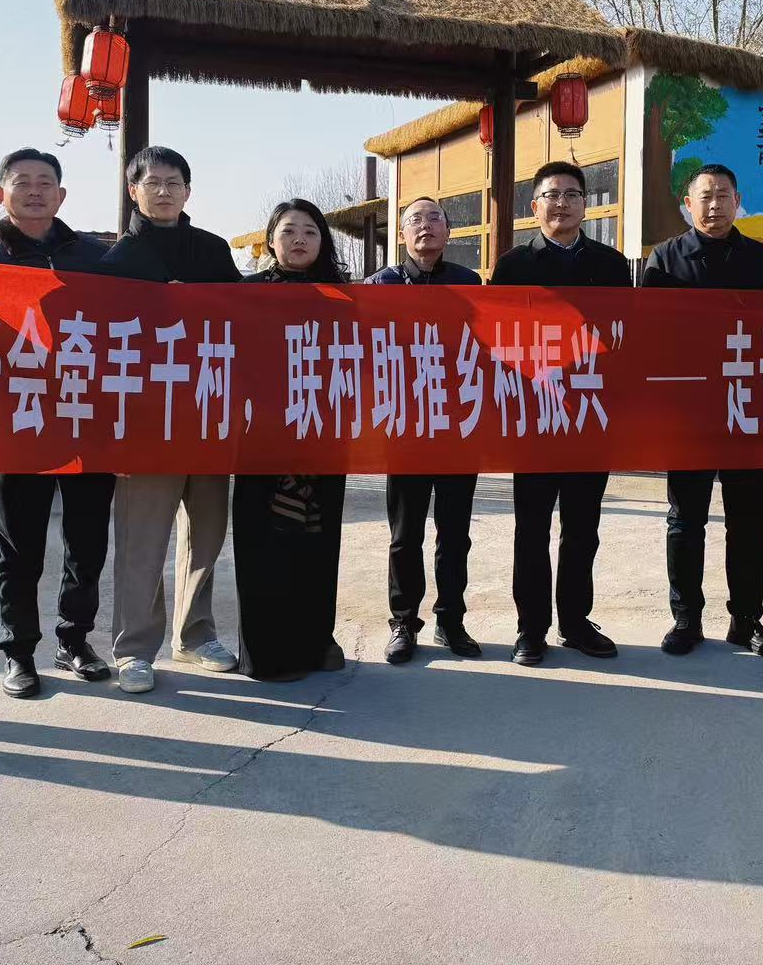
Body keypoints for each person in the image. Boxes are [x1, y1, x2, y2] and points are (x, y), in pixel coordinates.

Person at [0, 148, 114, 698]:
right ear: (1, 194)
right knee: (18, 546)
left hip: (83, 417)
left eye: (45, 182)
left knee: (87, 542)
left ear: (61, 195)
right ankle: (19, 650)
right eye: (22, 182)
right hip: (15, 423)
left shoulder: (96, 258)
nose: (34, 191)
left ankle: (74, 639)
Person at [101, 145, 242, 694]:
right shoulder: (116, 262)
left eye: (174, 182)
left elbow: (244, 320)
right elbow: (105, 345)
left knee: (205, 536)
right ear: (133, 190)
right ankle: (134, 649)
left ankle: (196, 634)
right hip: (146, 421)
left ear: (188, 191)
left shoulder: (213, 249)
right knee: (143, 541)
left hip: (207, 414)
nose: (163, 191)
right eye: (152, 182)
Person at [640, 164, 763, 658]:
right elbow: (649, 332)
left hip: (747, 406)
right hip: (690, 410)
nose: (715, 203)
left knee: (748, 518)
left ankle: (748, 620)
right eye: (705, 195)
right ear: (689, 203)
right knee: (686, 519)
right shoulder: (665, 260)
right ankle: (686, 619)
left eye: (724, 194)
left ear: (737, 200)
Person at [491, 161, 633, 667]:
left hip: (590, 415)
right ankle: (531, 628)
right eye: (552, 194)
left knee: (582, 527)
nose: (563, 203)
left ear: (586, 205)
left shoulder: (611, 265)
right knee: (531, 528)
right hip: (534, 417)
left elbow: (626, 338)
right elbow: (495, 340)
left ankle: (575, 622)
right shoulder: (512, 267)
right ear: (535, 206)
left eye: (573, 194)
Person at [231, 199, 351, 680]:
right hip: (260, 431)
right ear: (270, 240)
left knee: (317, 540)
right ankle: (266, 651)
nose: (299, 239)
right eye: (288, 230)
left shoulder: (344, 297)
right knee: (262, 540)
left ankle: (316, 640)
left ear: (323, 241)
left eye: (310, 231)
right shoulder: (244, 293)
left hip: (324, 431)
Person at [366, 197, 485, 664]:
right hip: (406, 427)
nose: (426, 226)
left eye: (435, 218)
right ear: (401, 234)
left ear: (448, 232)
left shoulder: (469, 283)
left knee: (454, 534)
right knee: (405, 533)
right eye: (415, 219)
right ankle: (403, 621)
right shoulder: (380, 285)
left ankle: (451, 620)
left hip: (457, 426)